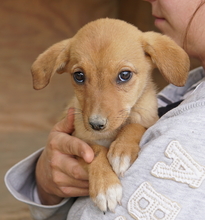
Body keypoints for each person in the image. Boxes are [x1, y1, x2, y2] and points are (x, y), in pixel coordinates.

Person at [5, 0, 205, 219]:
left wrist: (132, 134)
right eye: (80, 76)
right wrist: (45, 183)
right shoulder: (176, 97)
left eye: (123, 76)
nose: (96, 115)